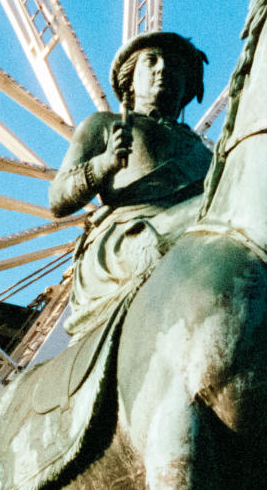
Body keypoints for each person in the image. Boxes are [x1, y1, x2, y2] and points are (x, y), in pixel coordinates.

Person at [50, 32, 211, 338]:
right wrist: (105, 163)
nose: (163, 69)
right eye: (151, 61)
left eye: (175, 65)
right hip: (126, 238)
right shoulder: (104, 125)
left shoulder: (205, 152)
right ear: (131, 80)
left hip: (190, 231)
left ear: (188, 84)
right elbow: (57, 199)